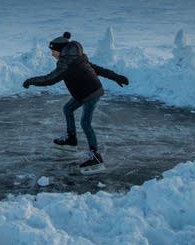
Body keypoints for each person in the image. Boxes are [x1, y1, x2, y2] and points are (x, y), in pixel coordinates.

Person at [23, 32, 129, 173]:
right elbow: (97, 69)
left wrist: (31, 81)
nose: (52, 54)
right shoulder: (75, 57)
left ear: (60, 50)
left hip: (91, 94)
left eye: (53, 51)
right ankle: (71, 139)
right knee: (68, 109)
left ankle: (95, 156)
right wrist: (116, 77)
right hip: (82, 93)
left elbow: (50, 79)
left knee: (85, 123)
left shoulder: (66, 64)